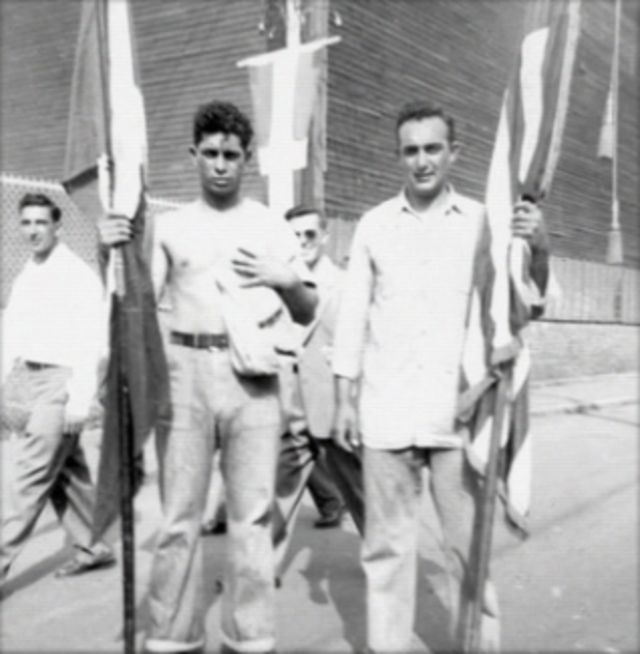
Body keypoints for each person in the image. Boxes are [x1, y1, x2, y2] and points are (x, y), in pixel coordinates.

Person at [98, 100, 317, 654]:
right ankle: (173, 634)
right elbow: (135, 298)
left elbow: (309, 307)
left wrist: (285, 278)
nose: (221, 165)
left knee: (251, 518)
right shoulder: (172, 226)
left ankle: (250, 635)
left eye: (232, 155)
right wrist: (111, 248)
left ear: (248, 160)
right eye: (211, 154)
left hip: (253, 383)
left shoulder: (268, 224)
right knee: (179, 518)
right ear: (194, 155)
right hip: (185, 377)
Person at [331, 101, 549, 653]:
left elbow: (528, 301)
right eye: (411, 150)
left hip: (460, 417)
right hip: (386, 416)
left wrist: (537, 243)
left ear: (455, 153)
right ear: (398, 155)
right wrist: (343, 398)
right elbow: (353, 314)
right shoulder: (374, 225)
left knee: (467, 554)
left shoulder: (486, 223)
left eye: (432, 149)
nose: (422, 161)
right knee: (386, 555)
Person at [0, 193, 114, 583]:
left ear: (57, 227)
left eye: (41, 223)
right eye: (26, 222)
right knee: (65, 471)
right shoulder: (28, 272)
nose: (33, 230)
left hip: (63, 382)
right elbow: (10, 334)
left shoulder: (75, 274)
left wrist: (80, 399)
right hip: (32, 381)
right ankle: (93, 545)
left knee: (28, 479)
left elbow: (93, 341)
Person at [272, 205, 364, 574]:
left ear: (324, 237)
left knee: (362, 494)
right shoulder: (277, 280)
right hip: (288, 404)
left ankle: (387, 562)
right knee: (278, 492)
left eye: (310, 234)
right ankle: (258, 572)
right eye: (294, 235)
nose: (302, 242)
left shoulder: (344, 283)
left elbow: (360, 337)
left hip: (330, 404)